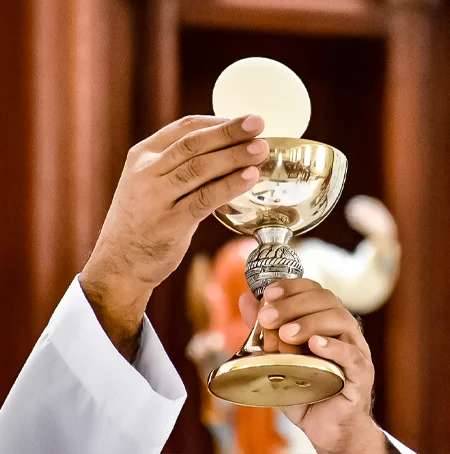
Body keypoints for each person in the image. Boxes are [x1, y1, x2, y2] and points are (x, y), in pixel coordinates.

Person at [0, 115, 414, 454]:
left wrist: (352, 443)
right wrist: (120, 276)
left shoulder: (314, 261)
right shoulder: (230, 260)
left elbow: (366, 281)